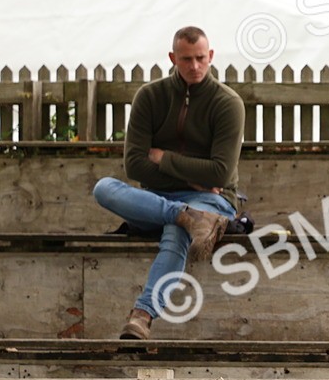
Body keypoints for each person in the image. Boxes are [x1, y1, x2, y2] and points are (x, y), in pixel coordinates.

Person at [92, 25, 245, 340]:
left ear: (211, 55)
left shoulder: (228, 103)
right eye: (186, 59)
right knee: (104, 188)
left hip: (213, 202)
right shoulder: (150, 97)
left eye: (201, 58)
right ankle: (180, 212)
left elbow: (219, 174)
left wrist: (164, 158)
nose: (194, 66)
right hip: (160, 200)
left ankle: (142, 315)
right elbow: (134, 166)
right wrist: (193, 176)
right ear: (173, 57)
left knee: (179, 229)